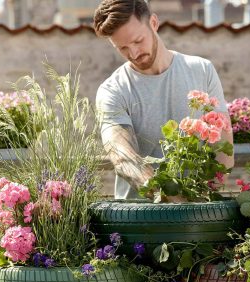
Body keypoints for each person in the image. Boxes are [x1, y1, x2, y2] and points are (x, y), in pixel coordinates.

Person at [93, 0, 234, 201]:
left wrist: (205, 200)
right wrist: (172, 201)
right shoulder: (112, 90)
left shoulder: (202, 71)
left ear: (153, 23)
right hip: (138, 220)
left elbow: (223, 147)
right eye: (122, 48)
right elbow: (122, 156)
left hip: (198, 215)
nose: (133, 53)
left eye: (138, 41)